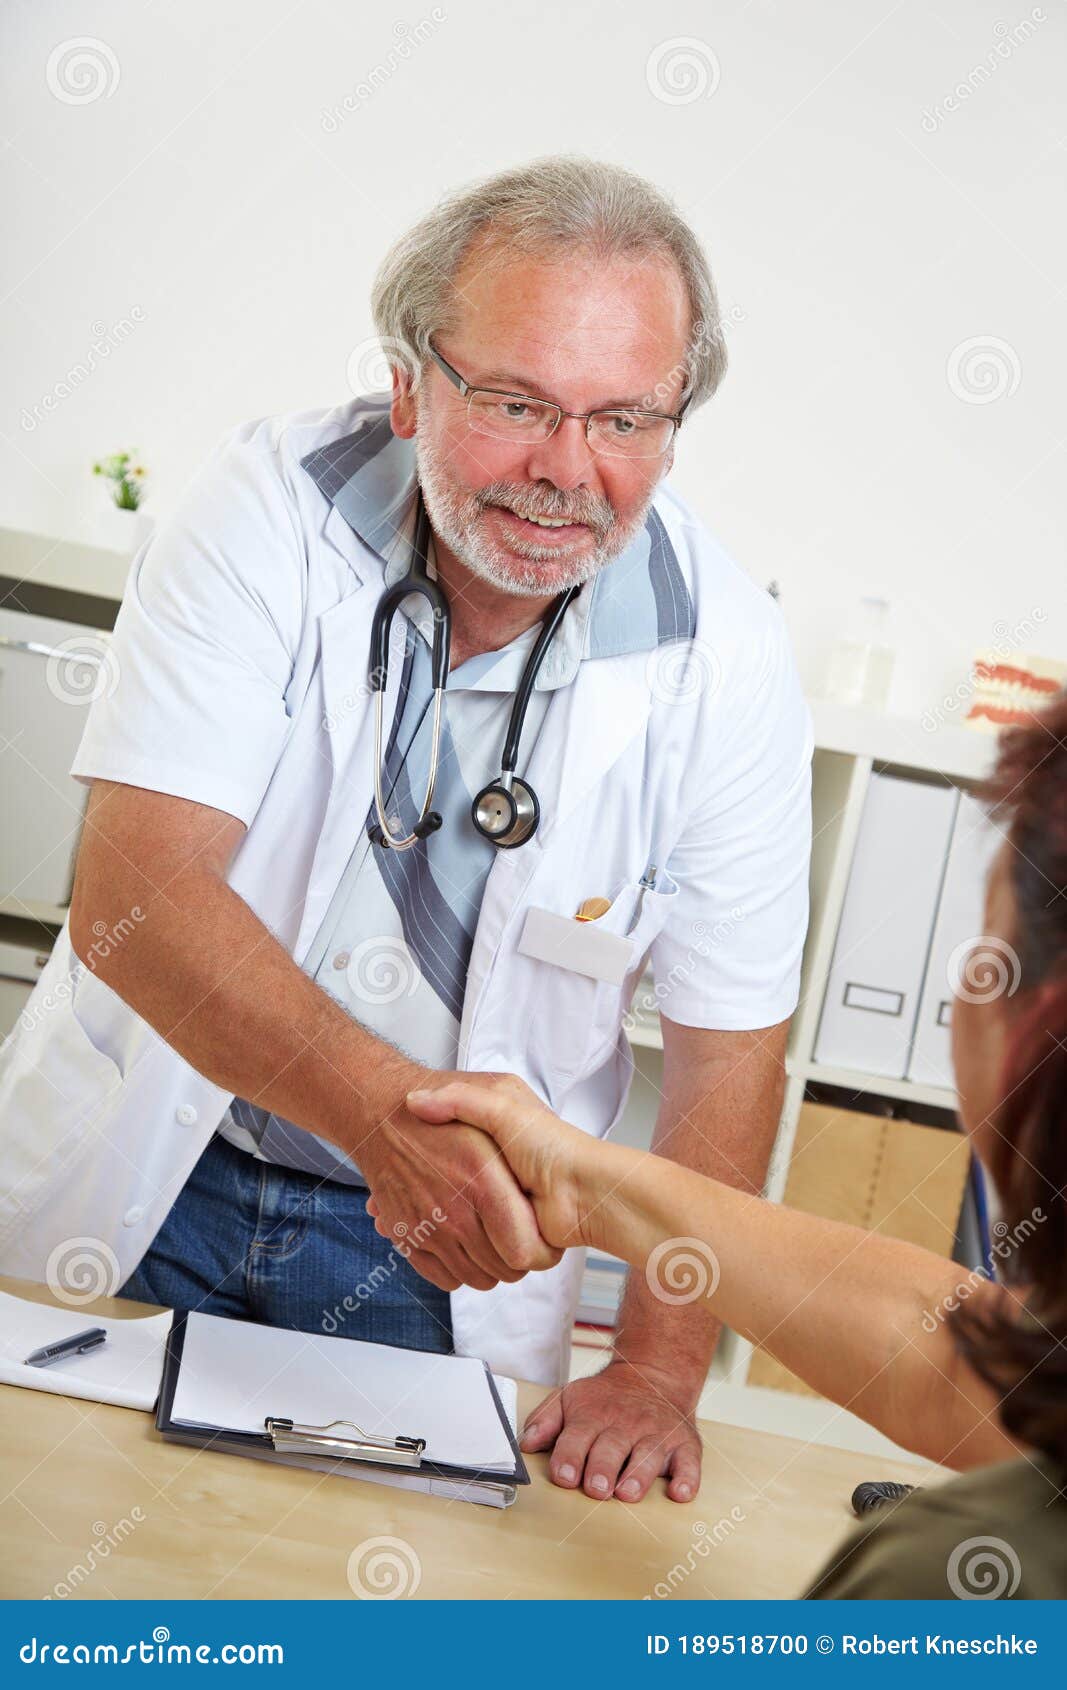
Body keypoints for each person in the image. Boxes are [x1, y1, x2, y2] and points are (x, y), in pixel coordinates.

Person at [0, 154, 812, 1505]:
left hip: (434, 1260)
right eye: (513, 403)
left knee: (367, 1606)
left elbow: (730, 1053)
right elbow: (137, 896)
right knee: (53, 1535)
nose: (566, 471)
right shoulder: (266, 514)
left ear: (671, 427)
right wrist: (388, 1124)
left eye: (622, 419)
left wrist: (658, 1367)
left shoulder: (720, 658)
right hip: (156, 1164)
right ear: (408, 382)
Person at [403, 695, 1067, 1592]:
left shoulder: (959, 1572)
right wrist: (587, 1185)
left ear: (1030, 1034)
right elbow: (961, 1365)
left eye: (984, 959)